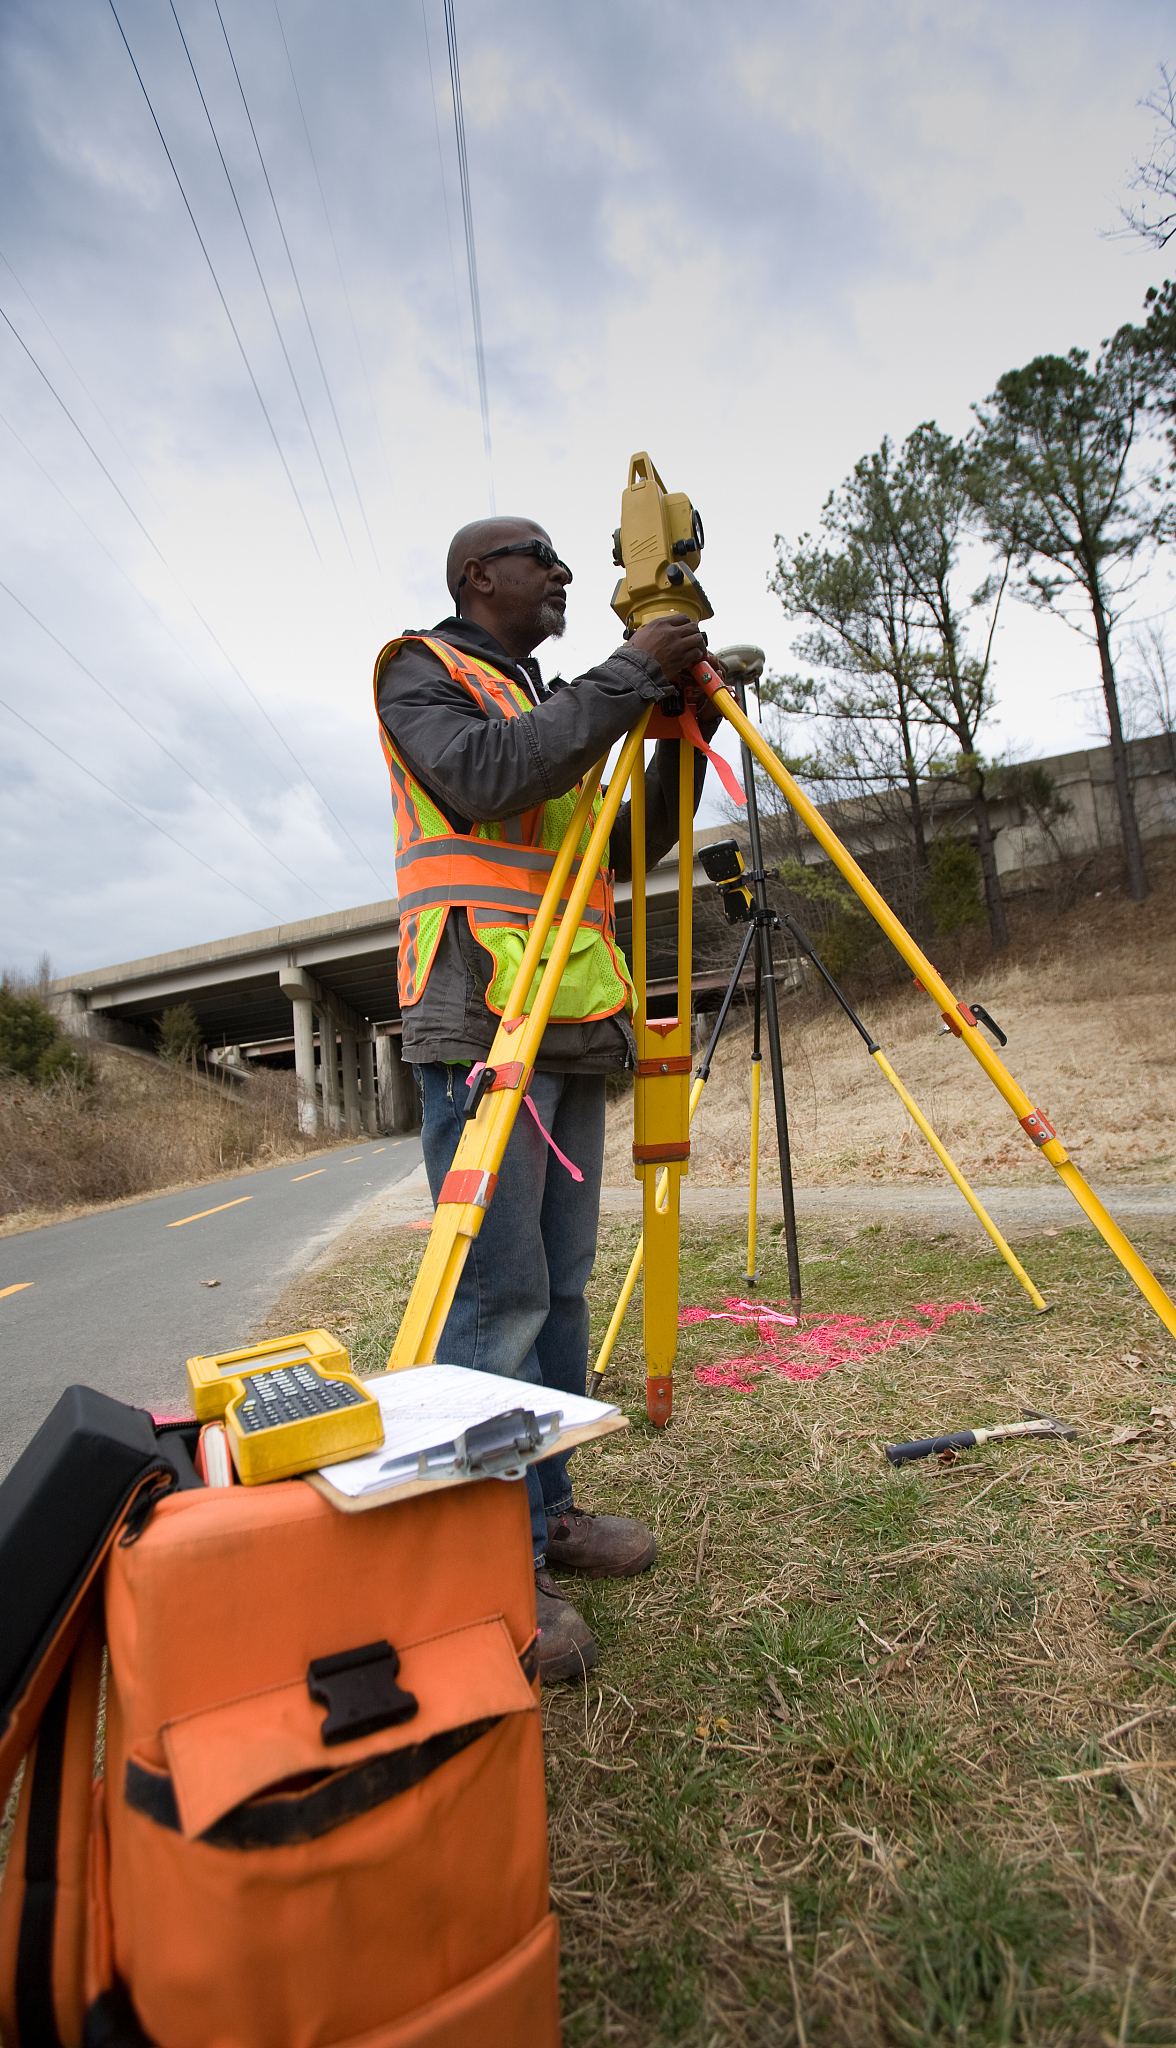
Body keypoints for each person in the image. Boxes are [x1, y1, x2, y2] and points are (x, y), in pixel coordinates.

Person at [373, 515, 717, 1681]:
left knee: (563, 1288)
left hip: (566, 1018)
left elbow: (625, 843)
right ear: (480, 574)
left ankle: (548, 1510)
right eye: (544, 558)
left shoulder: (551, 698)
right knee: (499, 1293)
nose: (570, 573)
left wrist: (685, 724)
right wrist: (629, 677)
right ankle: (490, 1556)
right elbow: (483, 778)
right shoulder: (424, 672)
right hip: (479, 1022)